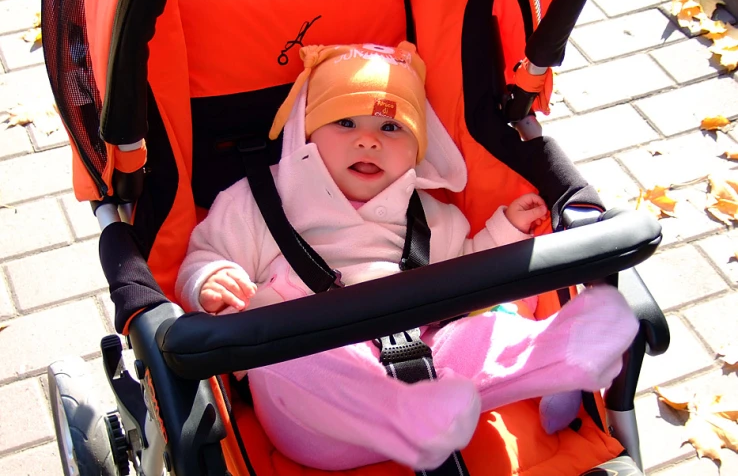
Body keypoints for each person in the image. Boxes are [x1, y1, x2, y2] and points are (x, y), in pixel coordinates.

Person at [175, 42, 639, 471]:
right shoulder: (259, 202)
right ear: (306, 133)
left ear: (417, 149)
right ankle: (409, 411)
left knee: (485, 329)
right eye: (345, 123)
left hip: (423, 364)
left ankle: (556, 359)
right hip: (316, 412)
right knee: (285, 361)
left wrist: (504, 231)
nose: (369, 140)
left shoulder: (433, 217)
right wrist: (211, 279)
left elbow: (468, 277)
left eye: (391, 127)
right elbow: (204, 255)